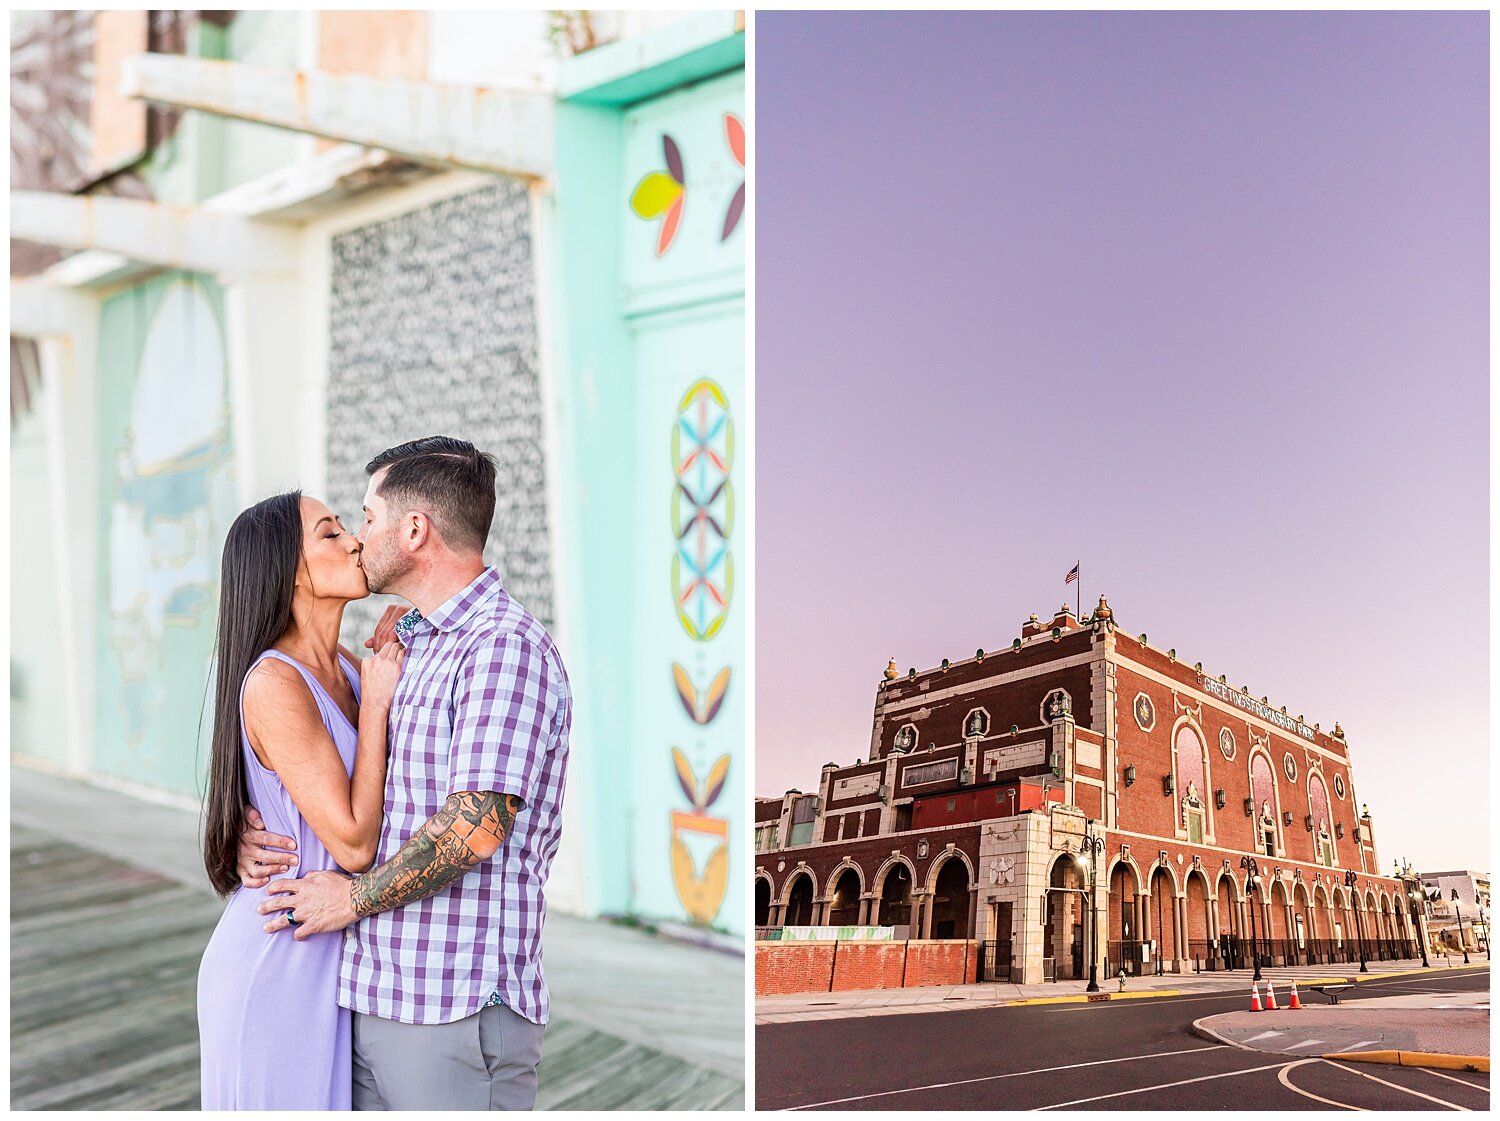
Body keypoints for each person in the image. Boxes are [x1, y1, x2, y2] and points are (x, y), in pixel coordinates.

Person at [237, 436, 572, 1110]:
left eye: (365, 516)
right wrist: (250, 828)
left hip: (451, 1007)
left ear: (414, 529)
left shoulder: (501, 647)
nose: (360, 537)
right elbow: (309, 766)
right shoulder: (404, 648)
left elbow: (475, 826)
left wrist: (351, 898)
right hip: (367, 993)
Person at [197, 491, 406, 1109]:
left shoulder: (346, 663)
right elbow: (353, 841)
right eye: (330, 533)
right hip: (276, 957)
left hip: (329, 959)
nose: (355, 543)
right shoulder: (274, 682)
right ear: (290, 570)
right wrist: (376, 705)